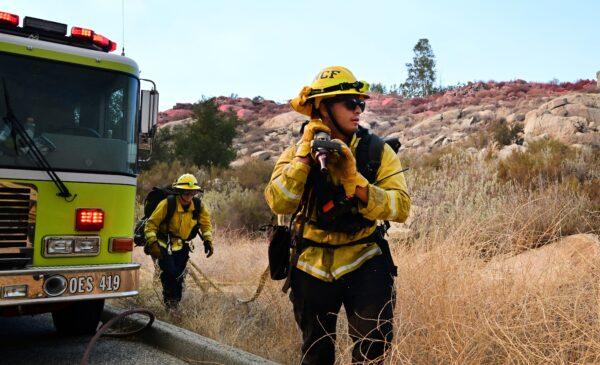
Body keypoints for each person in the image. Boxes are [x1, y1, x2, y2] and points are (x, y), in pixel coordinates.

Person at [264, 66, 411, 364]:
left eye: (361, 103)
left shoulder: (377, 152)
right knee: (316, 353)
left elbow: (401, 208)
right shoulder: (295, 153)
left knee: (373, 349)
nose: (358, 110)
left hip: (365, 259)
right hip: (311, 264)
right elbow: (279, 202)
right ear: (323, 108)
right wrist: (303, 159)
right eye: (350, 103)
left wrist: (356, 183)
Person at [144, 173, 214, 309]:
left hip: (183, 246)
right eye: (186, 192)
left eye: (192, 193)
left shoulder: (198, 206)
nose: (188, 196)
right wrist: (153, 243)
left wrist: (208, 241)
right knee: (169, 274)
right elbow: (150, 225)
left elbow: (206, 224)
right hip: (164, 245)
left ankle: (174, 305)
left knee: (179, 276)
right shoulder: (167, 204)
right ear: (179, 192)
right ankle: (170, 305)